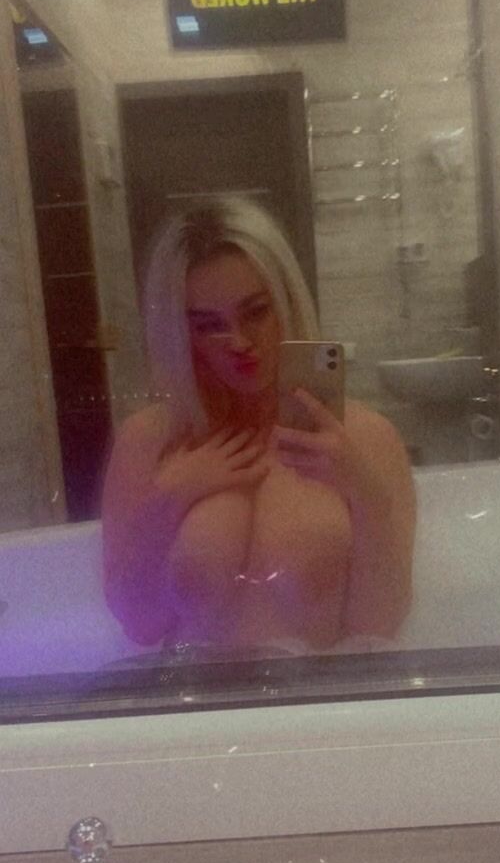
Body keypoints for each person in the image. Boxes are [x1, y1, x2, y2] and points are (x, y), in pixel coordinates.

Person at [102, 194, 416, 653]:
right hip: (189, 696)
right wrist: (167, 499)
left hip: (319, 694)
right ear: (180, 332)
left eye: (255, 311)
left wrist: (367, 495)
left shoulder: (366, 438)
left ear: (286, 301)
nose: (239, 341)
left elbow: (376, 631)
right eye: (208, 325)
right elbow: (140, 626)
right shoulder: (148, 440)